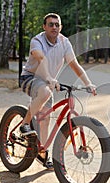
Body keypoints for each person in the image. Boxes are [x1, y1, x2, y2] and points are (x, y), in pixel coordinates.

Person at [19, 13, 96, 169]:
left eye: (57, 24)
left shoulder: (64, 42)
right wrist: (49, 79)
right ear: (44, 27)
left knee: (45, 119)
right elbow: (42, 59)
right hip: (30, 78)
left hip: (48, 82)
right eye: (50, 24)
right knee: (46, 93)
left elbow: (74, 64)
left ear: (60, 27)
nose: (54, 27)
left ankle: (42, 153)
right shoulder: (37, 40)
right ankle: (25, 123)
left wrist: (88, 83)